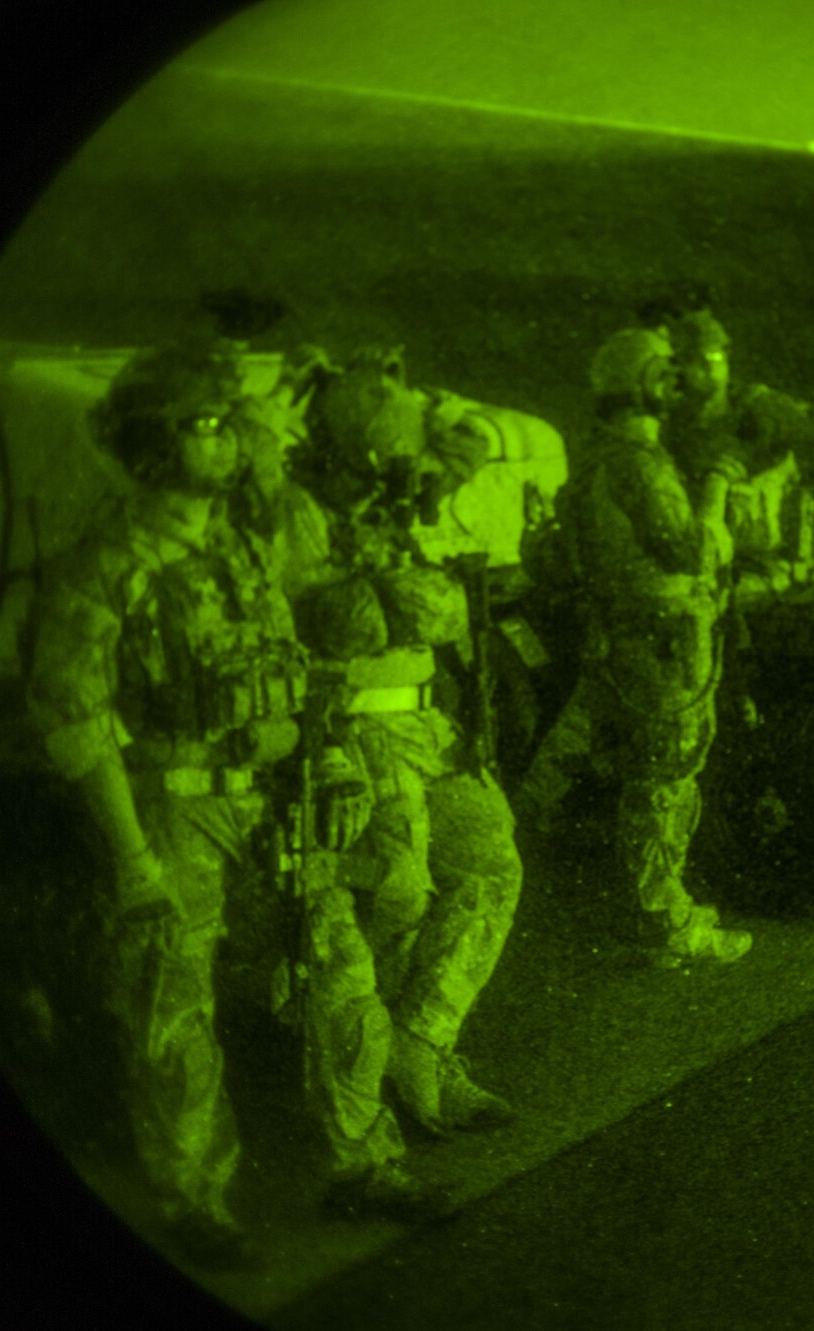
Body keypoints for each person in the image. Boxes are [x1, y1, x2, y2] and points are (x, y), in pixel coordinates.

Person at [23, 337, 314, 1263]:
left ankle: (364, 1156)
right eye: (207, 424)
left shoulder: (241, 551)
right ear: (152, 443)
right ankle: (194, 1197)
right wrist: (133, 858)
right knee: (171, 1011)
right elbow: (76, 719)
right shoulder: (103, 566)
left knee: (339, 962)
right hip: (168, 811)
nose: (229, 442)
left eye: (233, 424)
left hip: (263, 802)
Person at [272, 347, 524, 1191]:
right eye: (391, 450)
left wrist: (425, 401)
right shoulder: (297, 513)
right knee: (394, 899)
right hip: (349, 728)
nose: (411, 470)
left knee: (490, 863)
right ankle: (357, 1101)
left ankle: (423, 1044)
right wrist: (323, 748)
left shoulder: (394, 495)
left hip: (423, 721)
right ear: (351, 450)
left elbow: (469, 442)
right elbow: (299, 638)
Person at [516, 326, 753, 968]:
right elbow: (691, 550)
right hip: (665, 649)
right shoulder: (640, 464)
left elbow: (557, 561)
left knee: (643, 776)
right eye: (667, 374)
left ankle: (655, 905)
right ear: (649, 384)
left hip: (625, 642)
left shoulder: (594, 460)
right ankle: (665, 922)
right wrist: (717, 490)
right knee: (664, 780)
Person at [654, 300, 814, 501]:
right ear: (679, 367)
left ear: (727, 358)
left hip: (761, 534)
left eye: (716, 355)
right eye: (695, 359)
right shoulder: (667, 420)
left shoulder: (755, 406)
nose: (709, 366)